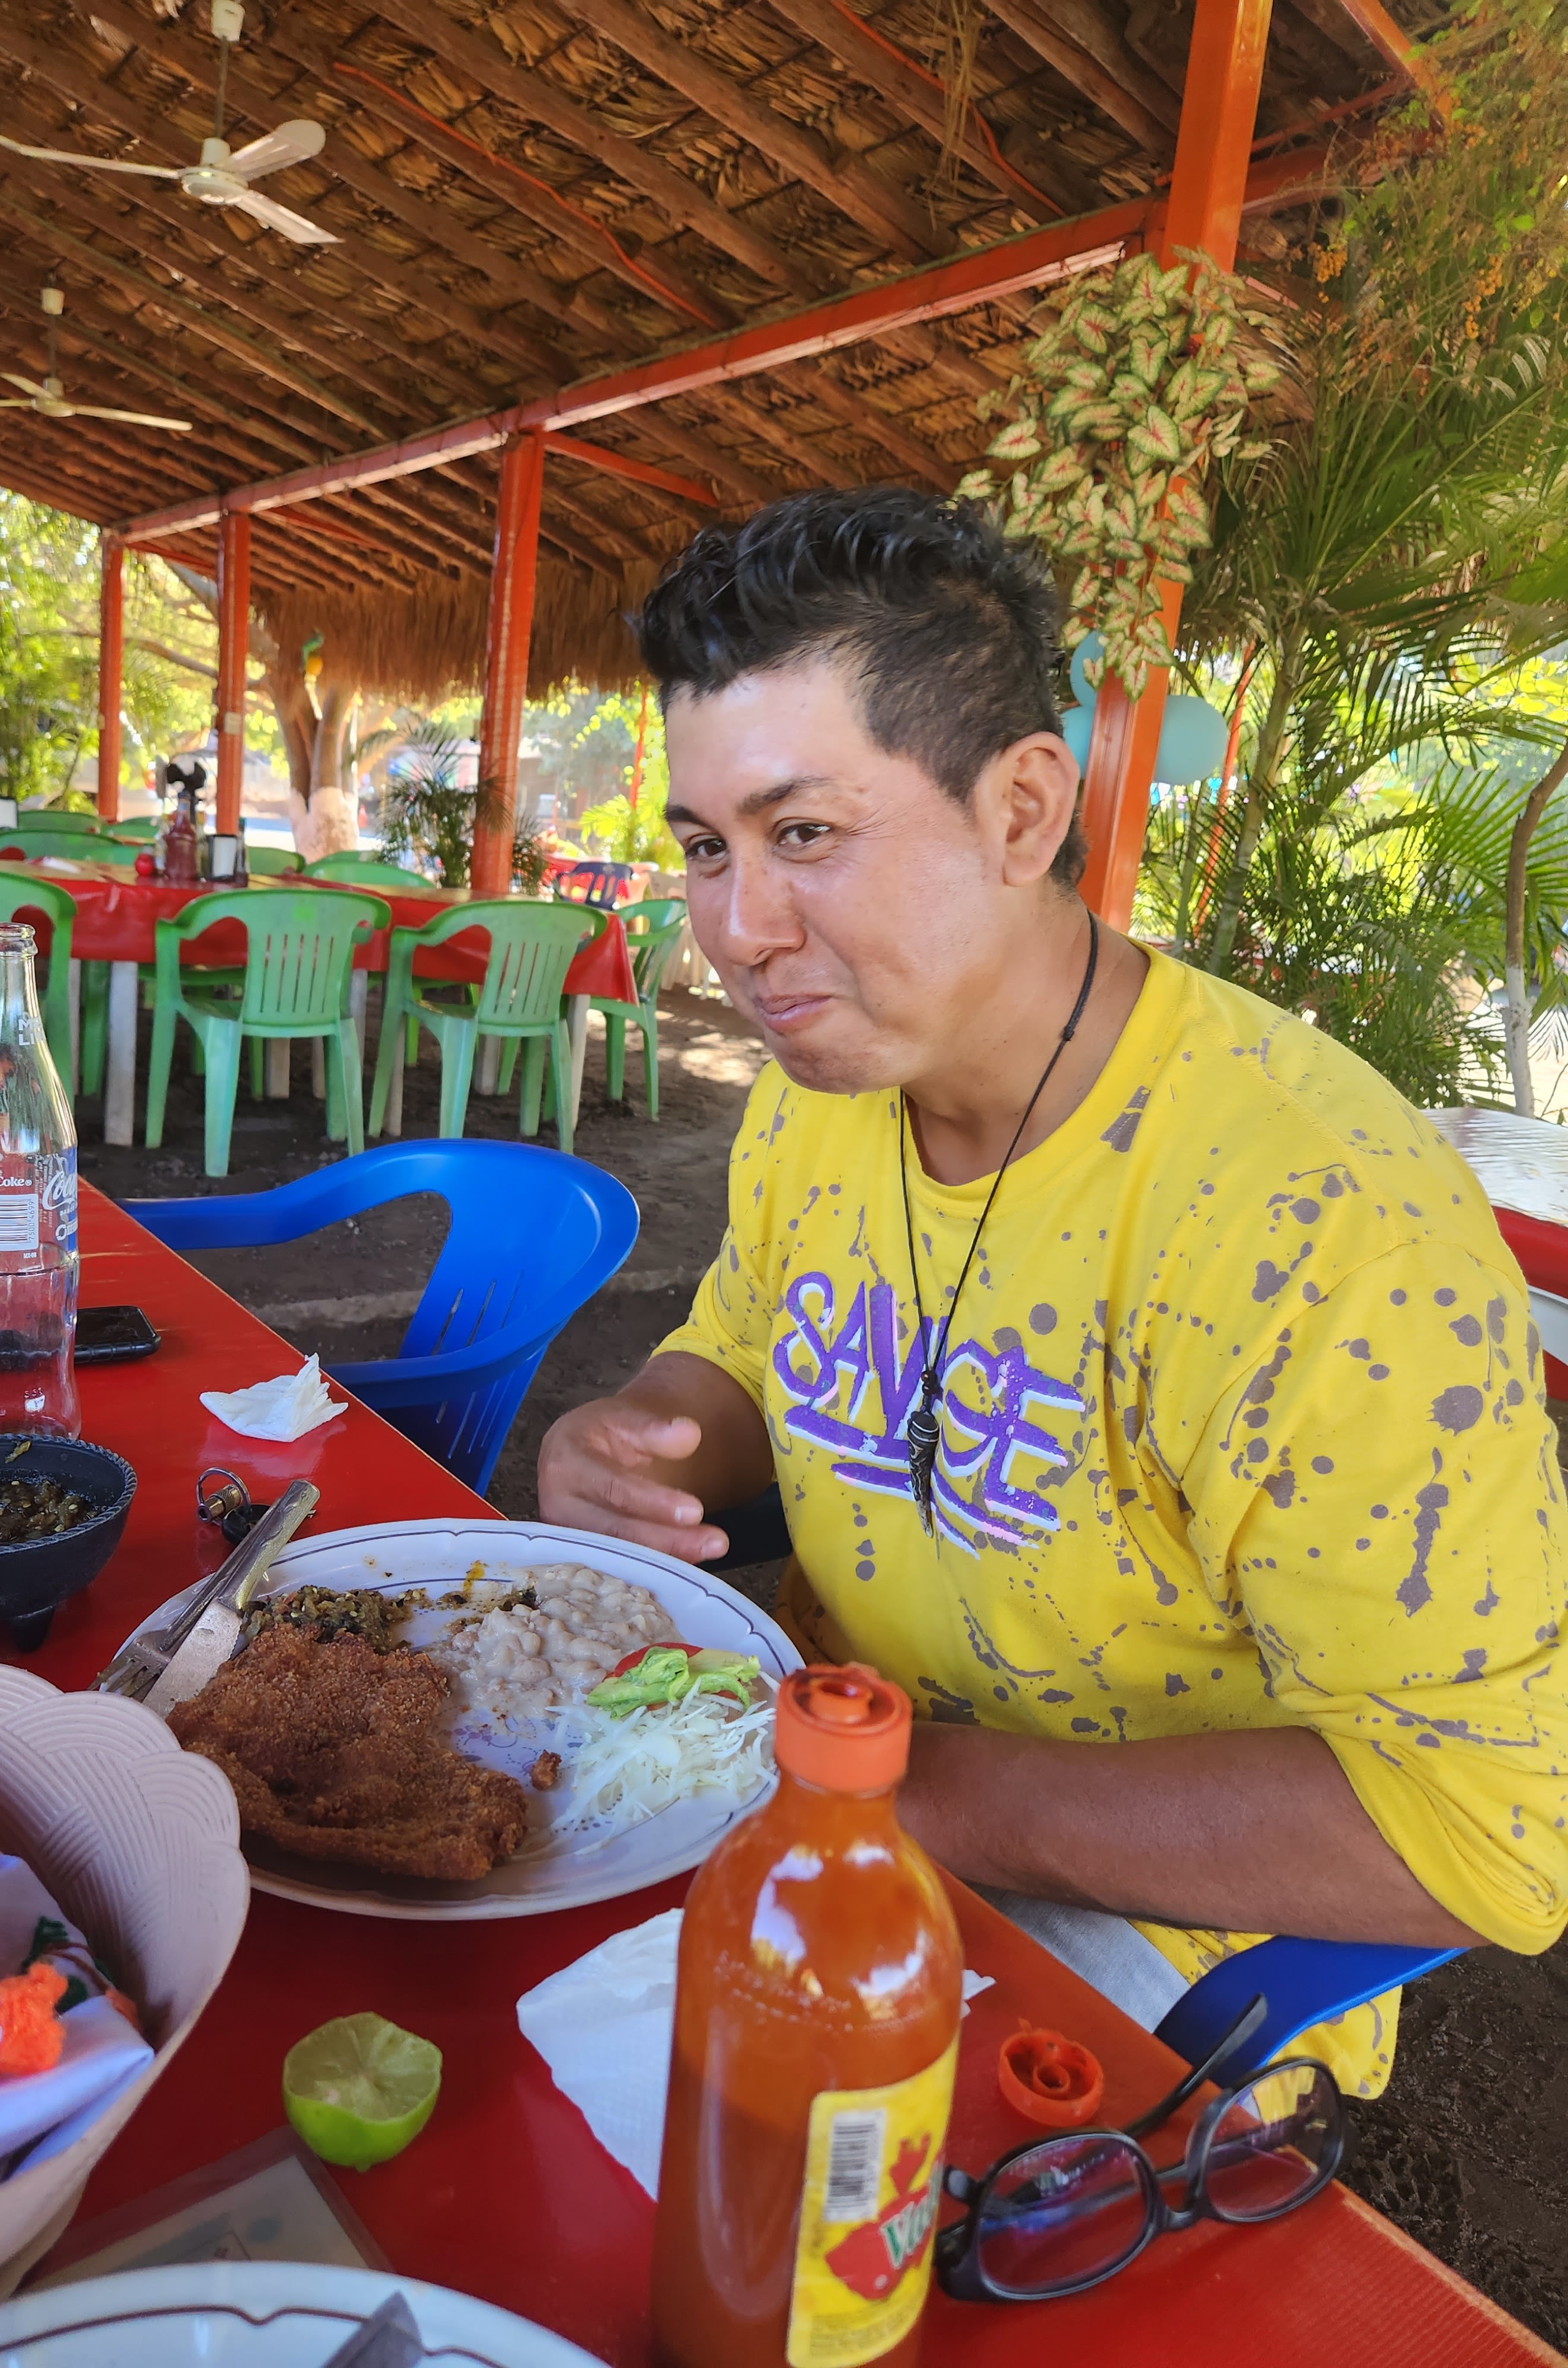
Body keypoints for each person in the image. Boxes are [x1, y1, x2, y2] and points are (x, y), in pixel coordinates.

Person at [539, 488, 1568, 2094]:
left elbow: (1487, 1831)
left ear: (1023, 812)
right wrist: (642, 1437)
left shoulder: (1318, 1226)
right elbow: (741, 1349)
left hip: (1139, 1940)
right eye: (704, 849)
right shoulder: (827, 1091)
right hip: (809, 1783)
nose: (739, 929)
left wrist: (911, 1789)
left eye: (805, 833)